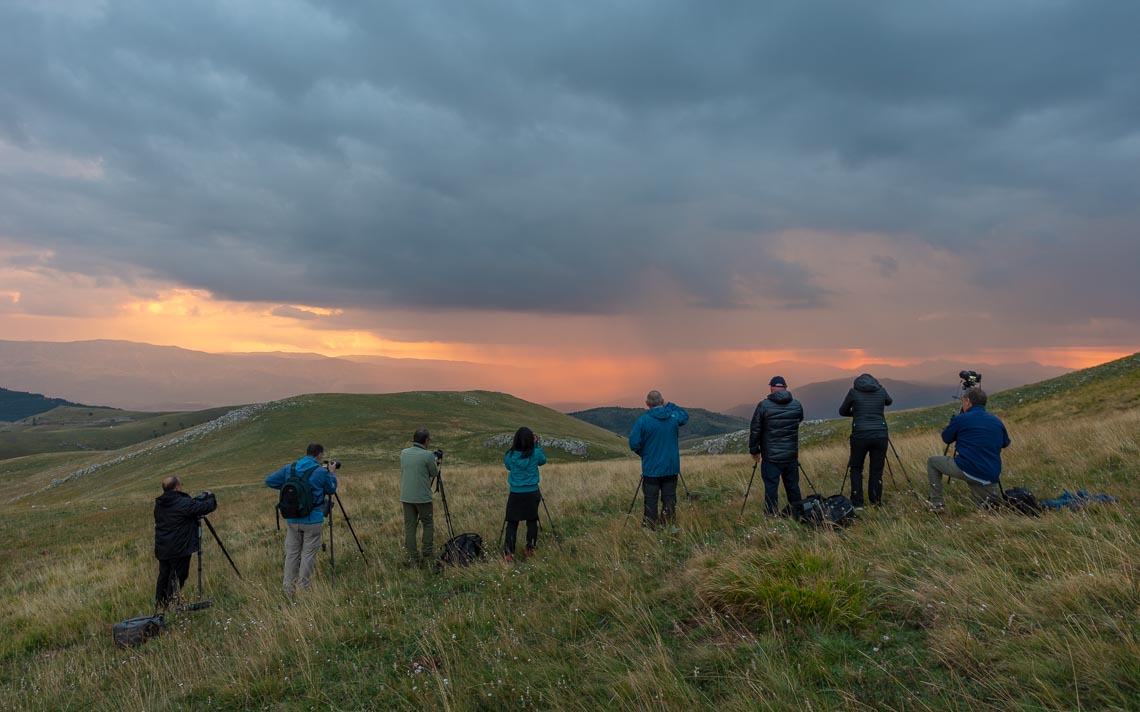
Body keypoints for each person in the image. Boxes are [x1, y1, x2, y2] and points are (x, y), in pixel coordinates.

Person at [264, 444, 338, 594]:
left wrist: (290, 488)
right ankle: (304, 588)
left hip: (292, 518)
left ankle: (288, 589)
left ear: (306, 453)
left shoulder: (290, 469)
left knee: (292, 553)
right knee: (307, 554)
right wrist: (330, 473)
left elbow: (269, 481)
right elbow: (331, 489)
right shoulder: (320, 471)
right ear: (319, 455)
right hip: (313, 519)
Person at [926, 387, 1011, 512]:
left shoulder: (961, 419)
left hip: (968, 468)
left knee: (932, 462)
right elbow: (1005, 443)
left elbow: (946, 438)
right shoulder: (996, 421)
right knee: (991, 510)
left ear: (967, 402)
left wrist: (953, 423)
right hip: (990, 473)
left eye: (963, 401)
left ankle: (937, 504)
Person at [153, 476, 217, 608]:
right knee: (178, 576)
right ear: (176, 487)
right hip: (179, 547)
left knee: (164, 575)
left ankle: (160, 603)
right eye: (180, 484)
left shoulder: (160, 504)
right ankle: (171, 604)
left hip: (163, 546)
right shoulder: (182, 503)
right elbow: (205, 507)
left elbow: (183, 509)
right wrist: (210, 496)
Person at [629, 390, 689, 528]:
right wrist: (670, 405)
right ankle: (668, 526)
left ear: (647, 404)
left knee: (650, 500)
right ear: (662, 401)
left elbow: (633, 443)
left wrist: (644, 454)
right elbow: (684, 417)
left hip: (651, 469)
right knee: (669, 499)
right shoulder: (673, 417)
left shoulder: (643, 421)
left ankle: (650, 527)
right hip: (671, 467)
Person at [748, 376, 805, 515]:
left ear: (772, 388)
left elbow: (755, 429)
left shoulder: (764, 406)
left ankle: (771, 515)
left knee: (771, 487)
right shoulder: (796, 405)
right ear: (785, 387)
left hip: (771, 456)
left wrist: (754, 450)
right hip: (791, 455)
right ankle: (797, 513)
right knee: (792, 486)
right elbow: (800, 419)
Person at [838, 373, 894, 509]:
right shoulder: (881, 391)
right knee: (876, 470)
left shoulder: (853, 393)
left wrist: (857, 413)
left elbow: (842, 411)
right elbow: (889, 401)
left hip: (860, 435)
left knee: (856, 468)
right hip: (880, 435)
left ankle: (857, 503)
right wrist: (879, 387)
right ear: (875, 381)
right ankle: (876, 502)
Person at [502, 426, 547, 562]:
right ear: (530, 441)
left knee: (512, 523)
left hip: (515, 493)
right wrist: (536, 445)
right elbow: (543, 461)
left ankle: (509, 553)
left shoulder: (510, 455)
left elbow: (508, 466)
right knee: (532, 520)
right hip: (532, 492)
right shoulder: (535, 453)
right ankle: (529, 549)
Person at [400, 428, 440, 566]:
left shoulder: (404, 453)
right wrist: (436, 461)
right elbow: (434, 472)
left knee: (410, 527)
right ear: (426, 440)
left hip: (406, 496)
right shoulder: (428, 455)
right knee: (428, 524)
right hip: (422, 497)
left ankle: (413, 557)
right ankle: (427, 552)